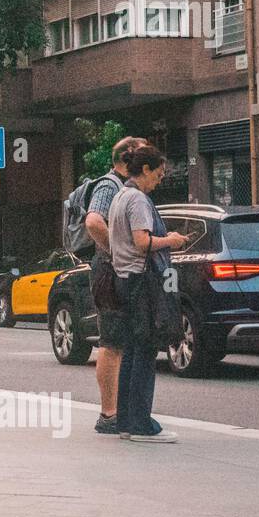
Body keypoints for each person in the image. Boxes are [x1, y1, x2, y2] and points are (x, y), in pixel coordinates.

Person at [107, 143, 187, 443]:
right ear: (145, 170)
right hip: (141, 281)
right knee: (145, 351)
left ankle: (126, 421)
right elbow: (142, 242)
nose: (161, 179)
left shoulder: (119, 197)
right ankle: (141, 423)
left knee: (131, 351)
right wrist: (170, 240)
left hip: (124, 280)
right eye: (159, 173)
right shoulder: (138, 200)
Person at [84, 136, 148, 435]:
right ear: (127, 158)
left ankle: (117, 410)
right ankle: (108, 414)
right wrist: (116, 249)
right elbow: (93, 221)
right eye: (142, 152)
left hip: (115, 270)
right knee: (111, 342)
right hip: (109, 271)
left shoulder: (126, 188)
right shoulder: (110, 185)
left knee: (119, 341)